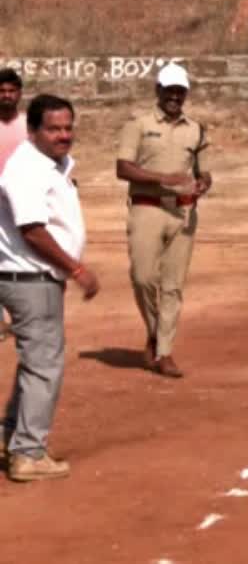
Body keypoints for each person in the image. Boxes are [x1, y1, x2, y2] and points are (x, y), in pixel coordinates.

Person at [0, 94, 100, 481]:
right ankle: (28, 453)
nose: (63, 135)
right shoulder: (27, 169)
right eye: (54, 129)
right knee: (45, 366)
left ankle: (12, 438)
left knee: (36, 363)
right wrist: (76, 270)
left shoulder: (49, 165)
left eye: (68, 127)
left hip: (36, 278)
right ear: (33, 130)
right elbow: (33, 230)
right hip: (29, 278)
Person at [116, 63, 211, 378]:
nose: (174, 96)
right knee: (143, 277)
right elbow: (123, 168)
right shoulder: (139, 124)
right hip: (147, 207)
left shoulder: (196, 129)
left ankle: (164, 351)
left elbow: (204, 170)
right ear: (157, 90)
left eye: (180, 91)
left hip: (183, 212)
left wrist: (203, 183)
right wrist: (164, 178)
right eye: (169, 90)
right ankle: (155, 331)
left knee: (173, 286)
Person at [0, 68, 25, 344]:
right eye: (2, 91)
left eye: (11, 90)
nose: (6, 96)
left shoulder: (30, 126)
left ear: (19, 93)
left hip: (21, 204)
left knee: (20, 260)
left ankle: (21, 318)